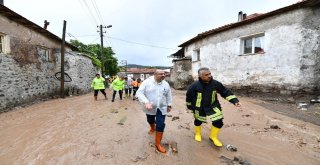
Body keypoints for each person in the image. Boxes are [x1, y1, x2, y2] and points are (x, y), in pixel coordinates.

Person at [186, 67, 241, 147]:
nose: (209, 76)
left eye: (210, 74)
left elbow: (225, 92)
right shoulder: (194, 86)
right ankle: (198, 134)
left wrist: (234, 101)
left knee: (219, 122)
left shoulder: (215, 84)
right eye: (206, 75)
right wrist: (190, 106)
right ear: (200, 76)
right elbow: (189, 97)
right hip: (199, 107)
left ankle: (213, 137)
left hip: (213, 106)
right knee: (198, 121)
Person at [136, 70, 172, 153]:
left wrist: (169, 104)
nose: (163, 75)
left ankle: (158, 144)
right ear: (155, 75)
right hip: (150, 107)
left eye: (164, 74)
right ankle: (152, 128)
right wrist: (146, 102)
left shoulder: (165, 84)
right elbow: (139, 93)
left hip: (162, 107)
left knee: (161, 124)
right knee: (150, 120)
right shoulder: (147, 82)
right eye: (161, 74)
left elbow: (168, 95)